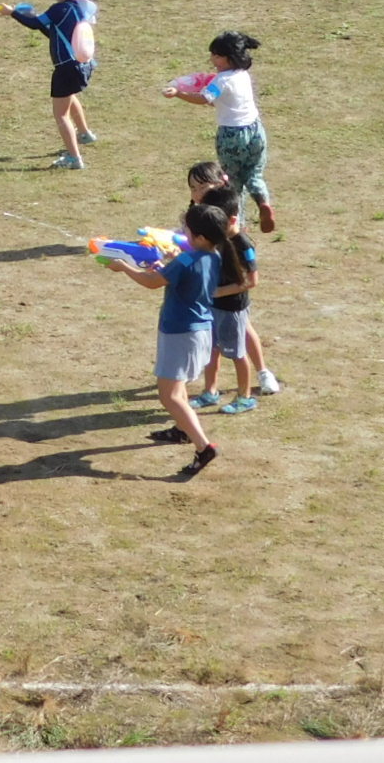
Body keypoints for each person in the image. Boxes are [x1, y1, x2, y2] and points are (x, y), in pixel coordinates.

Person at [97, 200, 230, 479]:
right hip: (201, 330)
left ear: (201, 236)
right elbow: (177, 274)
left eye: (188, 230)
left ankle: (204, 447)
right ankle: (182, 430)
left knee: (168, 395)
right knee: (178, 387)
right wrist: (162, 264)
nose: (184, 233)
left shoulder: (184, 260)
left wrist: (124, 267)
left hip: (180, 332)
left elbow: (152, 282)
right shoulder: (214, 256)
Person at [169, 31, 276, 233]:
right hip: (255, 130)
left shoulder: (221, 80)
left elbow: (204, 98)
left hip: (231, 136)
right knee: (254, 174)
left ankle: (238, 225)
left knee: (234, 182)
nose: (213, 60)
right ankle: (263, 202)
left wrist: (178, 94)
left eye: (217, 55)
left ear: (229, 57)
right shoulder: (243, 76)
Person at [189, 180, 275, 414]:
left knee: (237, 354)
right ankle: (210, 392)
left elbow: (251, 281)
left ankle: (244, 397)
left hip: (233, 309)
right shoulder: (217, 238)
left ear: (232, 219)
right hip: (213, 307)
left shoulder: (243, 245)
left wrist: (219, 292)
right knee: (211, 350)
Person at [2, 0, 98, 169]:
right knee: (70, 96)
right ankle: (84, 133)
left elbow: (36, 23)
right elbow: (54, 33)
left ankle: (74, 158)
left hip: (66, 69)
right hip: (83, 66)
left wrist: (13, 13)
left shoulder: (58, 9)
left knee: (60, 115)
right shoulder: (78, 9)